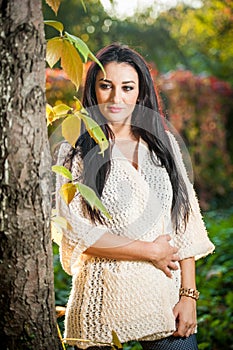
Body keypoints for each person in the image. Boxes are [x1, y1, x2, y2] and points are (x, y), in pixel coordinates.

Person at [56, 43, 215, 350]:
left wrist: (188, 295)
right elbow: (75, 233)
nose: (116, 98)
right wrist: (148, 251)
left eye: (127, 87)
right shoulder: (74, 149)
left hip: (163, 299)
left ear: (139, 92)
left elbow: (184, 222)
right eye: (106, 86)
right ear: (93, 89)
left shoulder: (164, 144)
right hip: (101, 302)